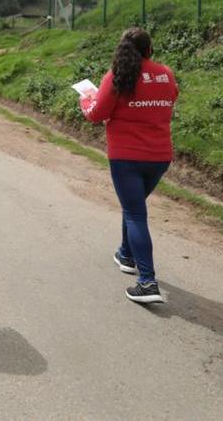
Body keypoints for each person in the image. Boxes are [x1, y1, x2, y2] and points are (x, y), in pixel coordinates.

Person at [79, 27, 179, 304]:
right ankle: (125, 254)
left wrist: (86, 99)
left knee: (135, 213)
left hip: (126, 158)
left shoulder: (118, 77)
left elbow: (96, 114)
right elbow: (172, 98)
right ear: (150, 49)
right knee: (134, 207)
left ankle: (147, 281)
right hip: (159, 157)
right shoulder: (166, 73)